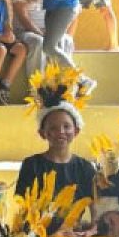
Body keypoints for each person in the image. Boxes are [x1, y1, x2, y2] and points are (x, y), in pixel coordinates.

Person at [17, 64, 97, 202]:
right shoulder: (31, 165)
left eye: (66, 126)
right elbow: (23, 205)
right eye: (53, 128)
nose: (61, 132)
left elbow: (95, 207)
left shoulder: (85, 168)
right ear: (42, 133)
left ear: (76, 131)